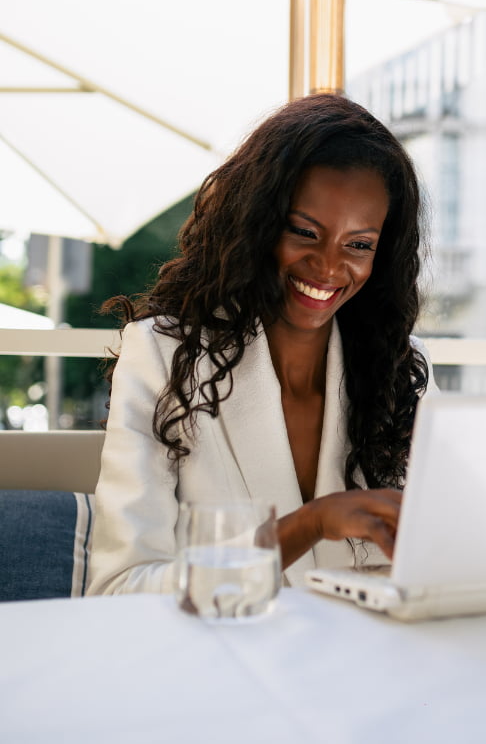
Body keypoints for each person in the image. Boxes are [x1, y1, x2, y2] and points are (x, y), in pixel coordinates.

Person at [88, 93, 435, 594]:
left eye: (359, 244)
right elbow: (120, 587)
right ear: (256, 223)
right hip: (224, 660)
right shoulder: (164, 355)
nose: (329, 267)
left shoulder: (403, 370)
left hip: (370, 661)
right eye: (304, 232)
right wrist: (306, 525)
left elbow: (443, 551)